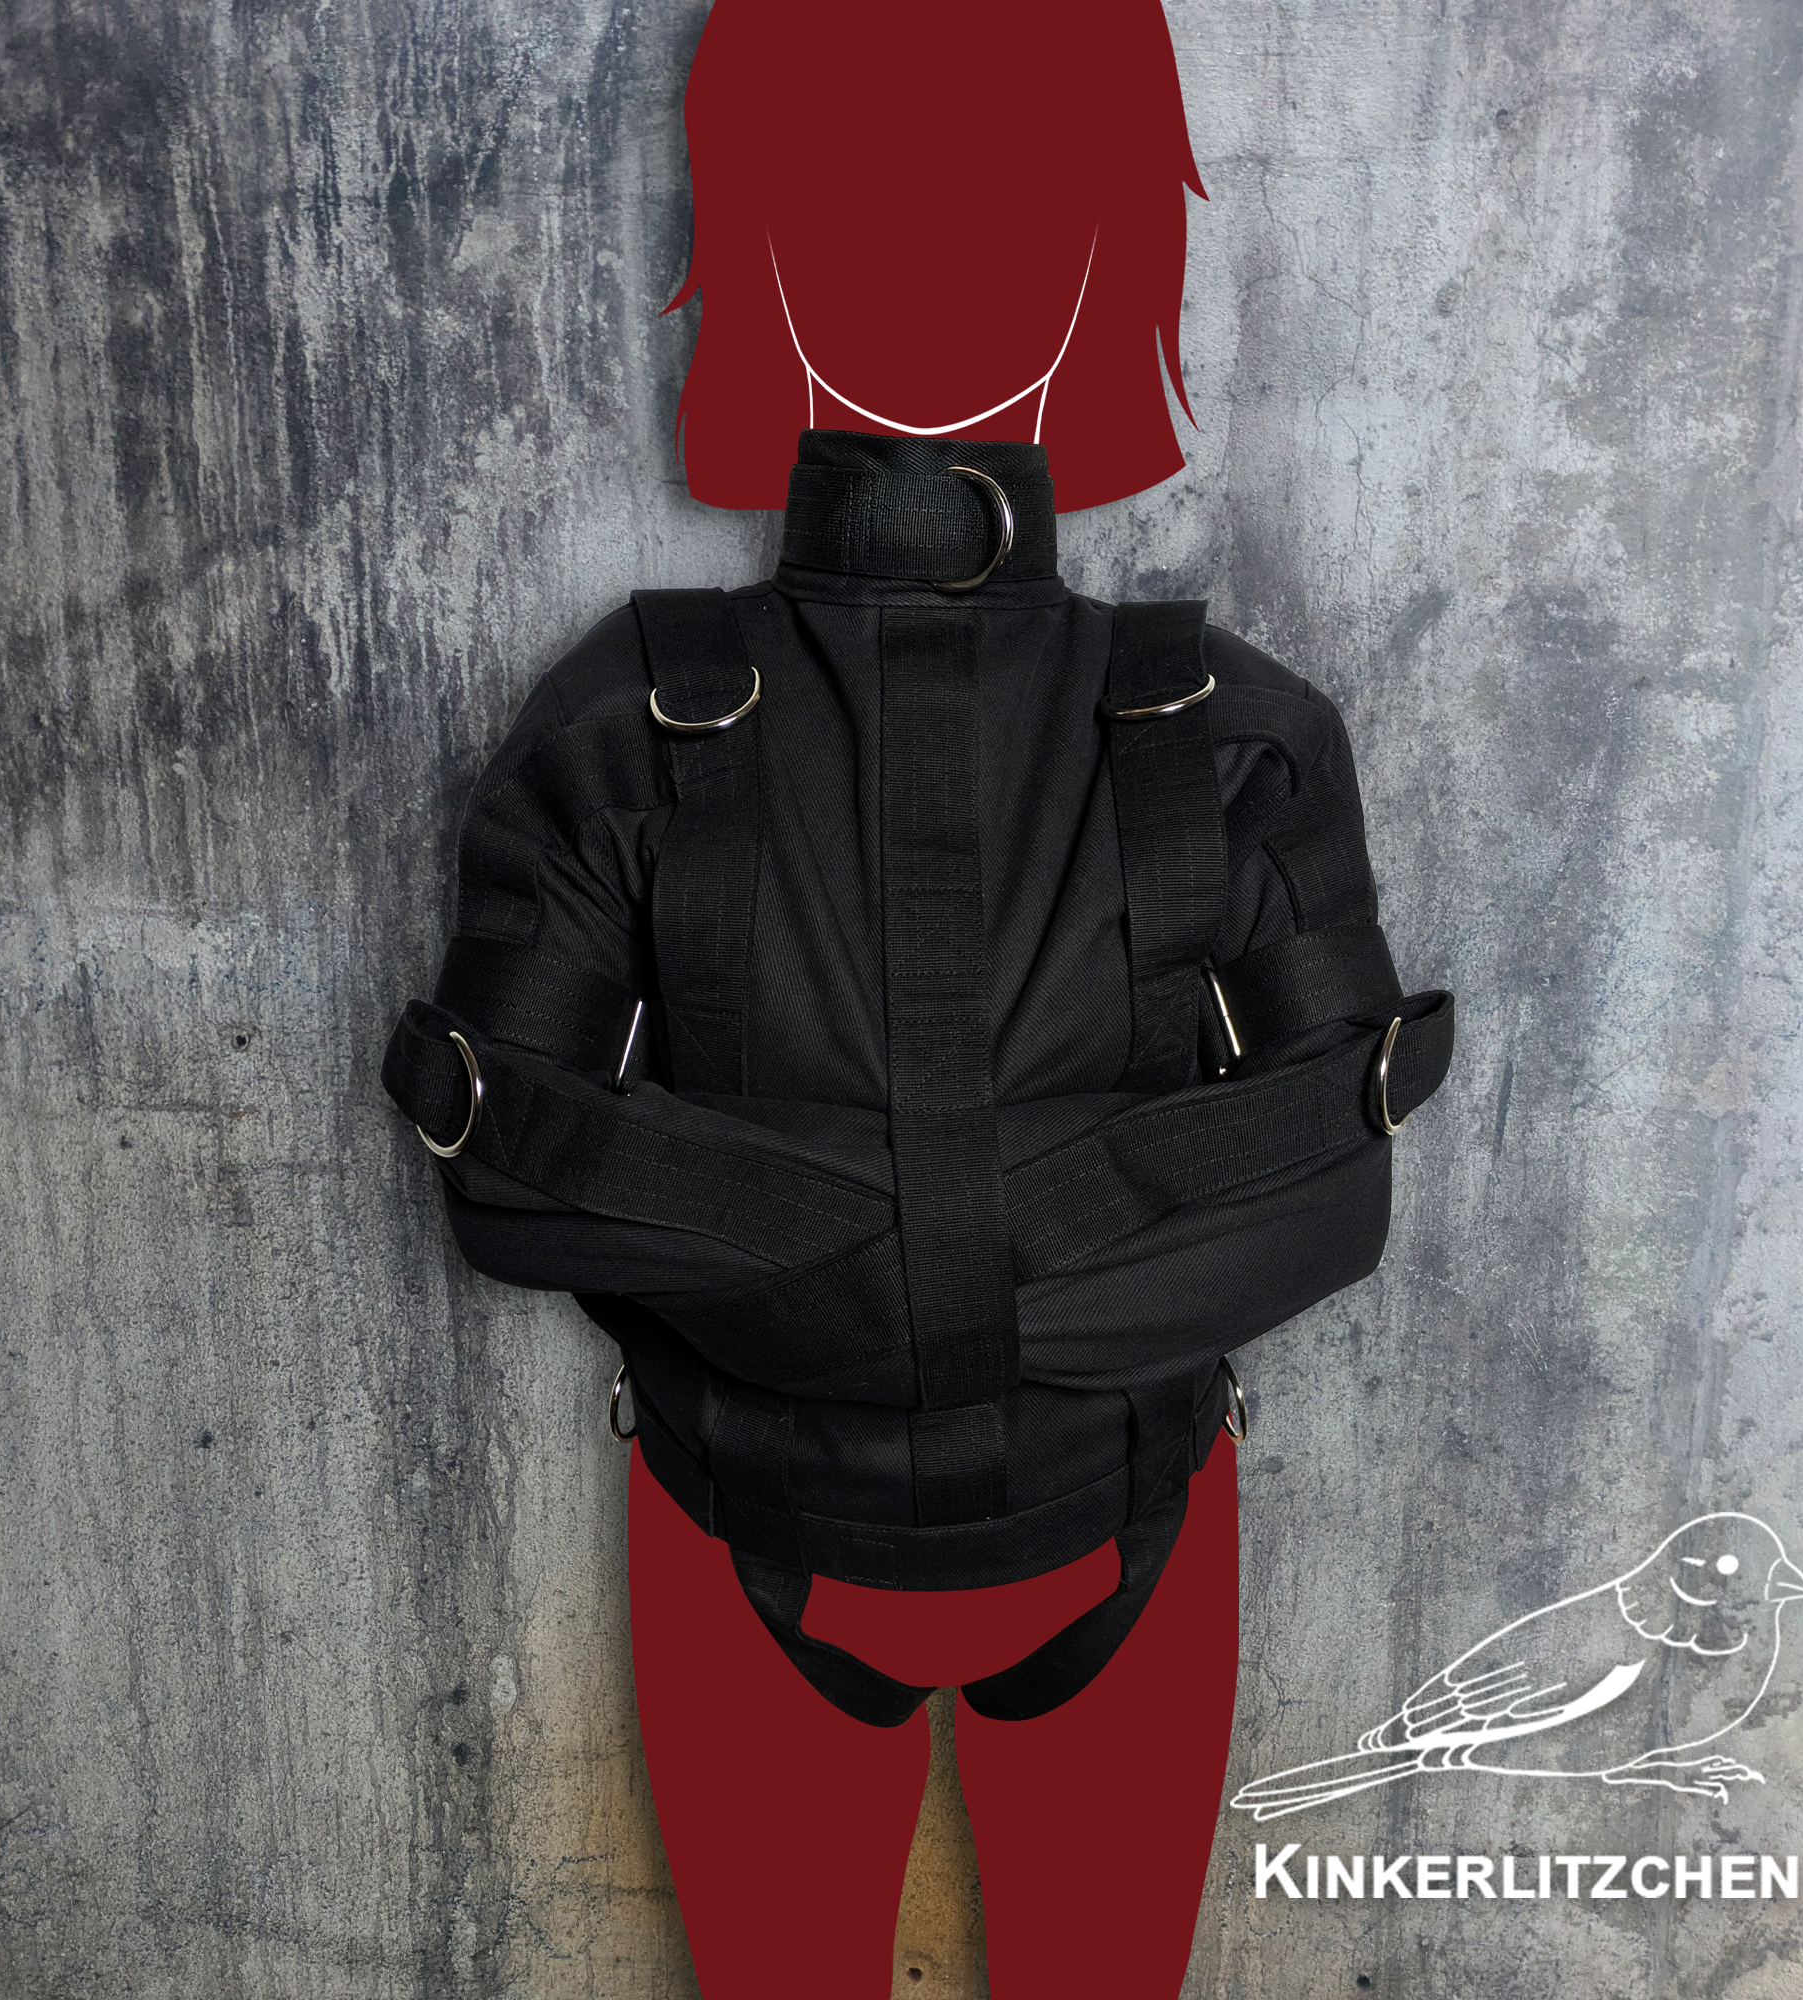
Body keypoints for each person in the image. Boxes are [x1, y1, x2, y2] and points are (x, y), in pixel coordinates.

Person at [382, 8, 1451, 1994]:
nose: (935, 272)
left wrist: (826, 1244)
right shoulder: (621, 715)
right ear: (757, 257)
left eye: (1013, 207)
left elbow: (1334, 1192)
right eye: (859, 201)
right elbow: (501, 1180)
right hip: (749, 1530)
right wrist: (1015, 1240)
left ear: (1102, 264)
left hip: (1115, 1529)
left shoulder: (1235, 730)